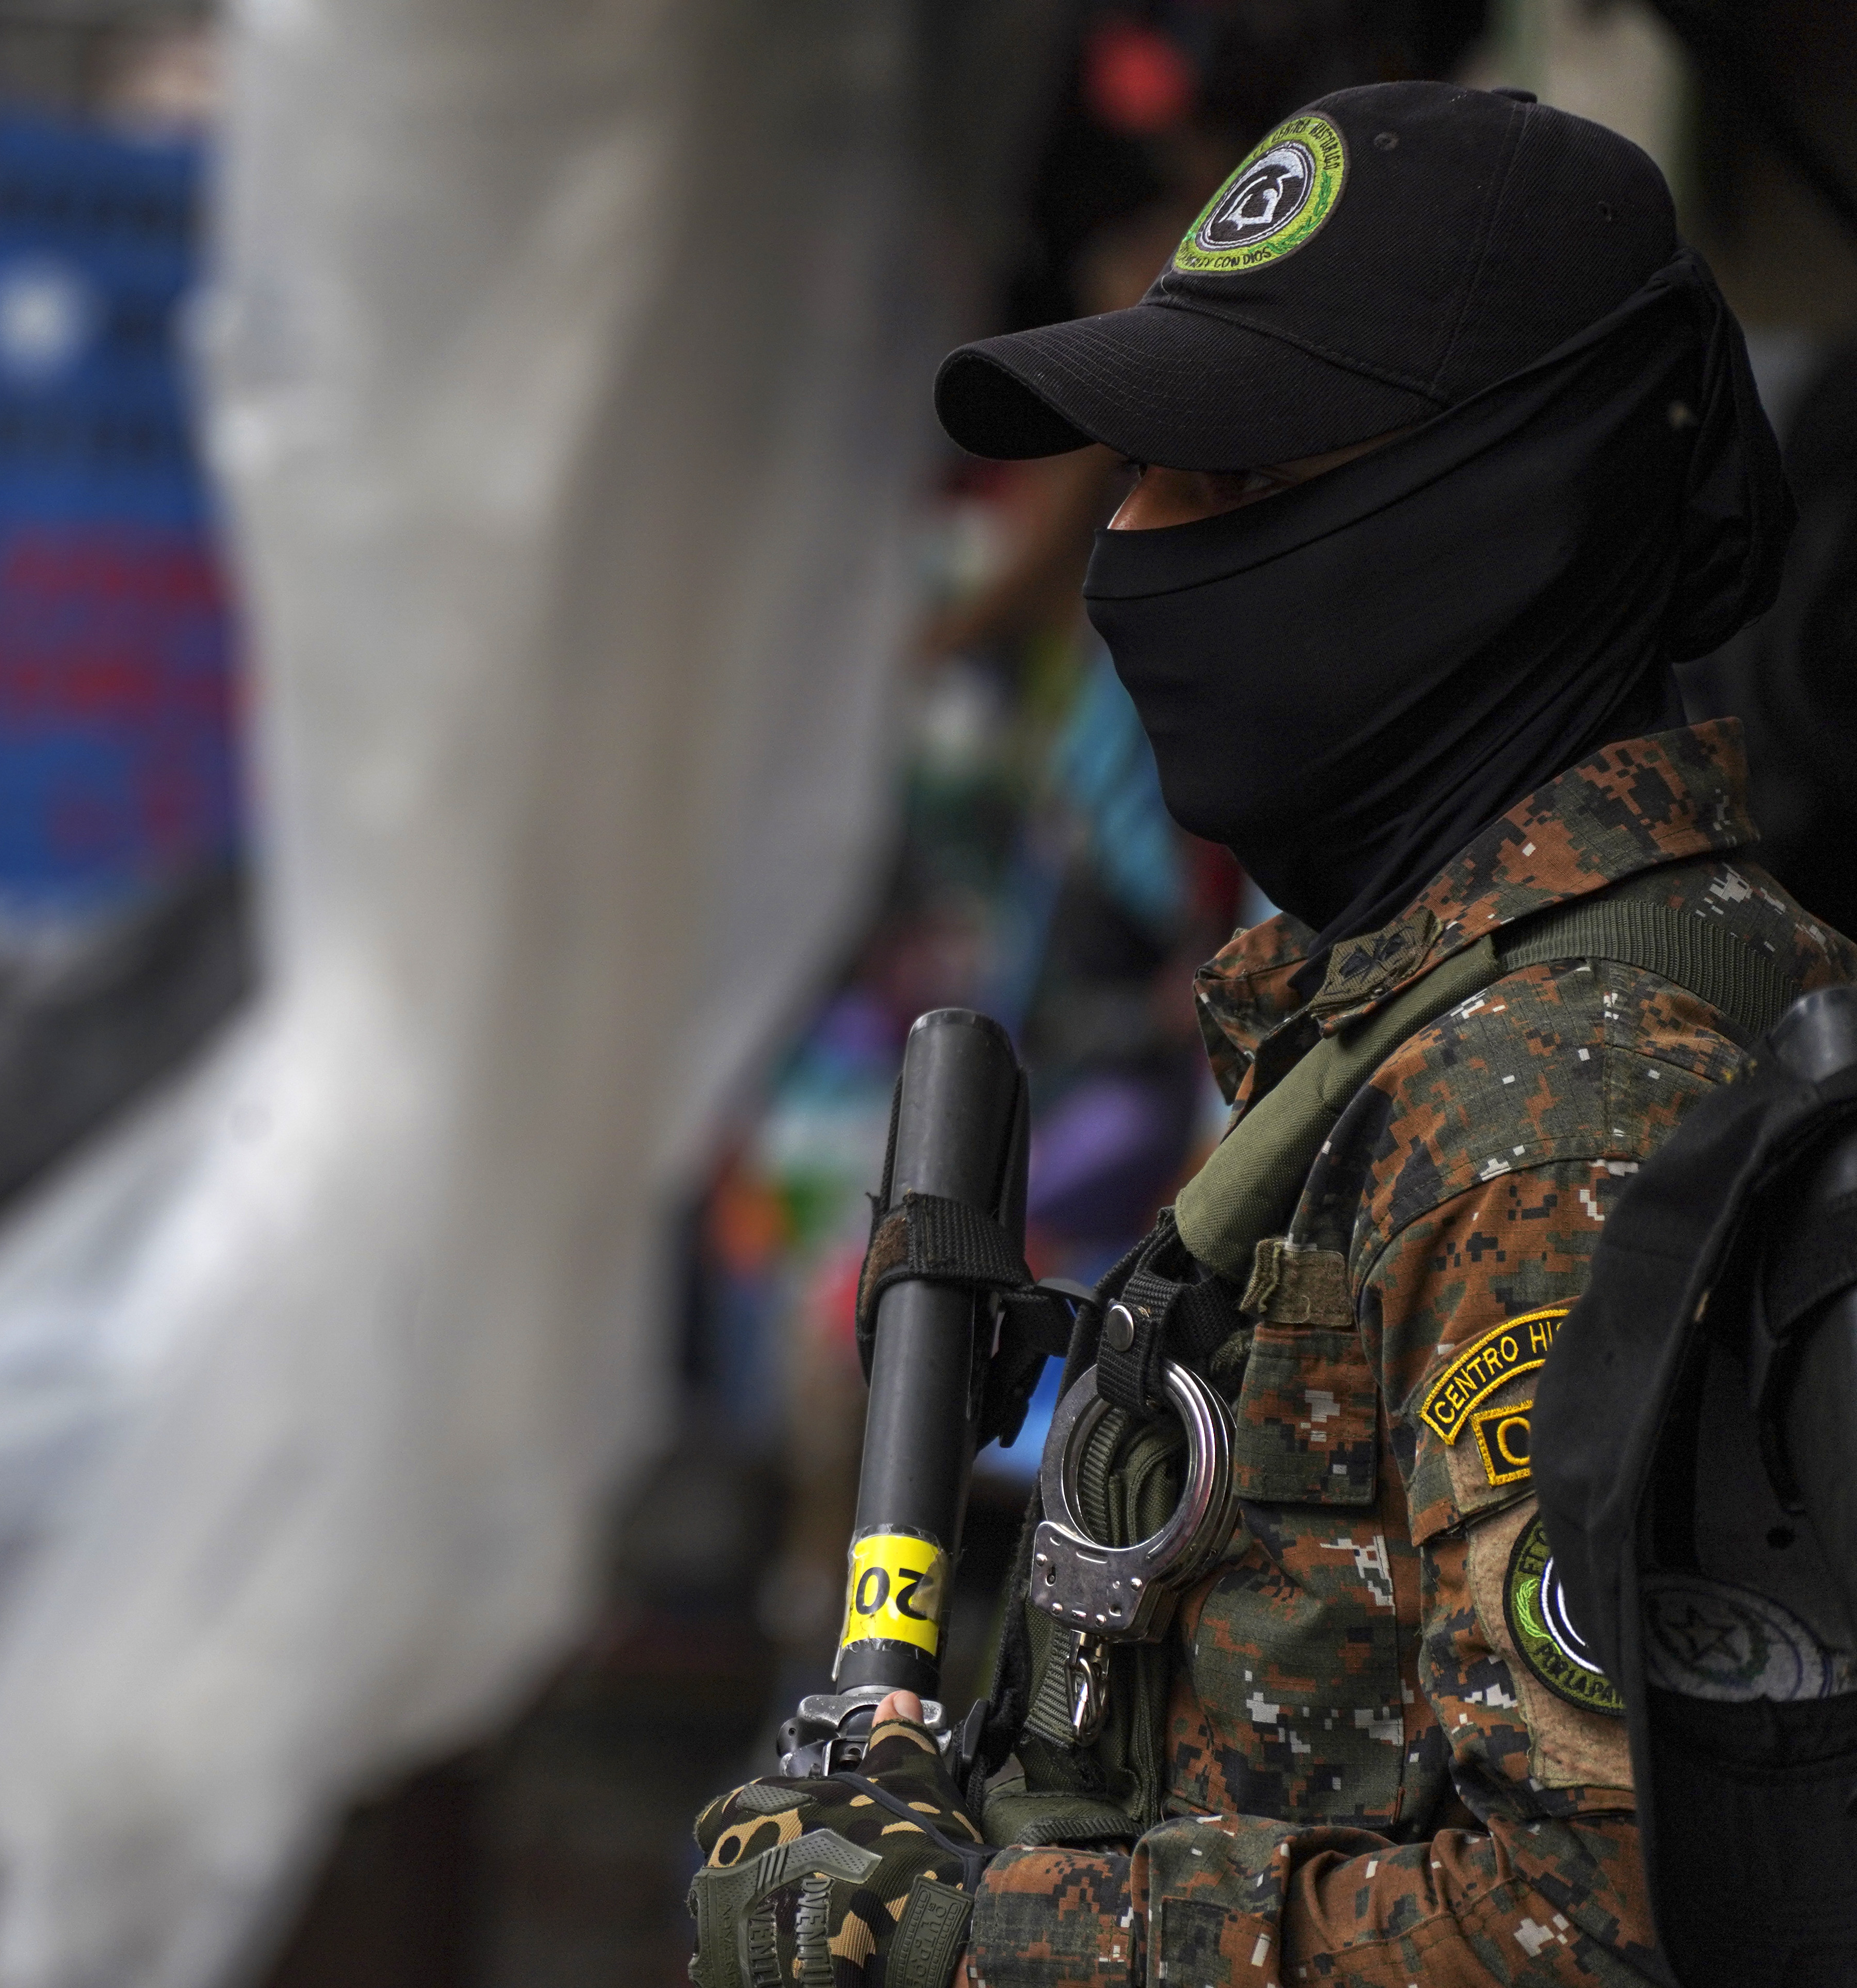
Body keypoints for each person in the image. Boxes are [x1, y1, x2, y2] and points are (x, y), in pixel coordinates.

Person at [690, 80, 1857, 1986]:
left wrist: (978, 1936)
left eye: (1229, 490)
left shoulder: (1552, 1104)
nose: (1130, 550)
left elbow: (1600, 1924)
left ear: (1502, 513)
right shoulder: (1484, 1014)